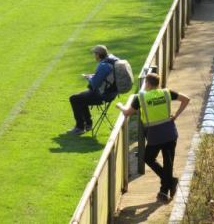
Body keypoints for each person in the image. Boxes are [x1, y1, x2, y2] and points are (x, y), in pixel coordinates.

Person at [116, 73, 190, 202]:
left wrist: (120, 106)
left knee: (148, 158)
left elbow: (127, 112)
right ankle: (165, 189)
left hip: (155, 135)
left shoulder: (141, 97)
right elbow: (186, 99)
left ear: (148, 84)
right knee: (168, 162)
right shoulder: (166, 93)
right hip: (170, 133)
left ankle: (168, 183)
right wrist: (176, 115)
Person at [68, 45, 119, 135]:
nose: (94, 56)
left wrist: (88, 78)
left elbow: (94, 84)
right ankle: (88, 124)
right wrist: (93, 76)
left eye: (94, 54)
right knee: (81, 97)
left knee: (74, 99)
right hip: (111, 93)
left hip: (103, 95)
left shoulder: (103, 65)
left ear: (98, 55)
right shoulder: (111, 61)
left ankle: (80, 127)